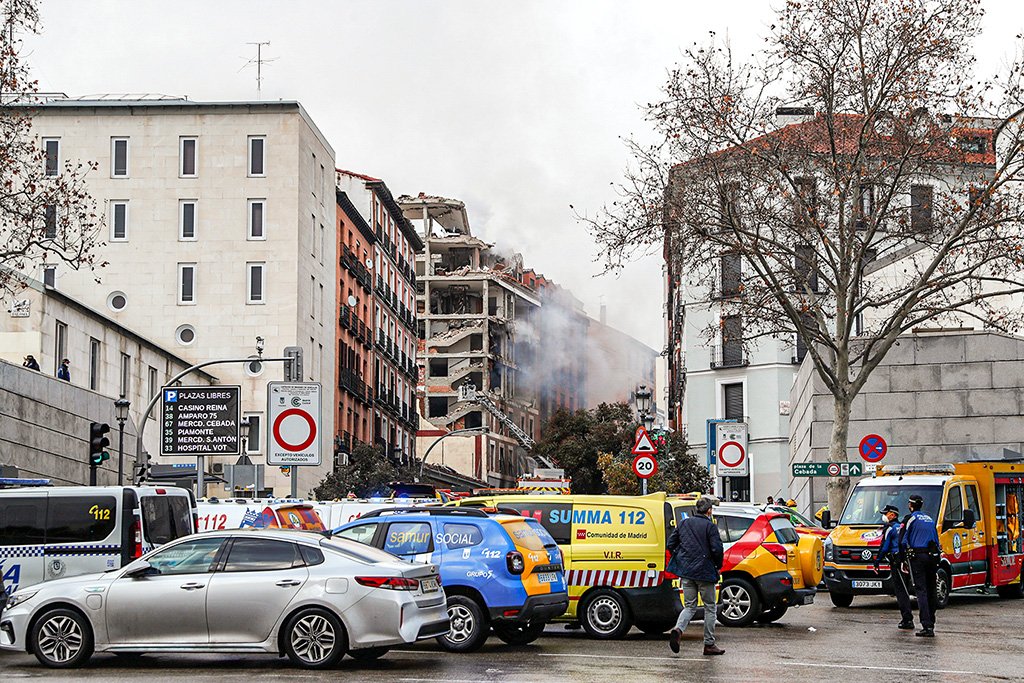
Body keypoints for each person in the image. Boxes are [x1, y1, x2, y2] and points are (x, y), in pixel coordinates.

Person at [667, 496, 725, 656]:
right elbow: (717, 549)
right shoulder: (710, 526)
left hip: (687, 572)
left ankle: (678, 630)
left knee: (690, 606)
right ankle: (709, 644)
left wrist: (681, 558)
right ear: (709, 511)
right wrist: (718, 566)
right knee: (710, 607)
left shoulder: (684, 523)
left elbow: (670, 544)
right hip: (705, 572)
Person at [900, 494, 941, 637]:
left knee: (921, 591)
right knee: (931, 590)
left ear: (910, 505)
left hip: (917, 557)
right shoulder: (930, 519)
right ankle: (932, 623)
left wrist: (902, 560)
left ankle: (926, 624)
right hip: (932, 557)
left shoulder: (911, 519)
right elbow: (936, 542)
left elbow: (903, 541)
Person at [874, 504, 913, 629]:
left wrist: (877, 561)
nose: (884, 516)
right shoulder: (902, 527)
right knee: (905, 588)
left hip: (896, 562)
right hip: (906, 561)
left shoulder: (890, 528)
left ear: (893, 514)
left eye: (886, 514)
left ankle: (907, 619)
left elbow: (884, 546)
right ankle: (907, 618)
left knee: (901, 591)